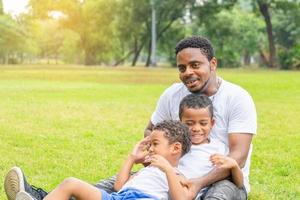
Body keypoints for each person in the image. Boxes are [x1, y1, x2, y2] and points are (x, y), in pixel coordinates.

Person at [5, 36, 257, 200]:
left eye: (195, 65)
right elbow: (151, 131)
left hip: (217, 178)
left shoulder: (237, 97)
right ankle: (40, 197)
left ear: (212, 64)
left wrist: (195, 181)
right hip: (169, 172)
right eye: (181, 68)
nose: (188, 73)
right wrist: (152, 157)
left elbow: (238, 156)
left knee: (220, 196)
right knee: (117, 184)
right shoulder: (172, 94)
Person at [15, 120, 192, 200]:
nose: (150, 148)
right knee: (70, 183)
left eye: (155, 144)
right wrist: (131, 158)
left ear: (175, 148)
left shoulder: (177, 175)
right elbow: (119, 187)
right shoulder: (146, 171)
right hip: (117, 197)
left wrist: (168, 169)